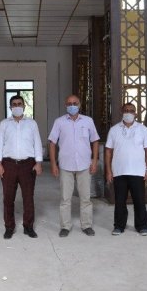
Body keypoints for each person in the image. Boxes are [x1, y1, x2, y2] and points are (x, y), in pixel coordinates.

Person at [48, 94, 100, 237]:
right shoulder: (59, 122)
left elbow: (95, 141)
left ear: (80, 104)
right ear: (66, 105)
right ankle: (65, 226)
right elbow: (52, 143)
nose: (72, 106)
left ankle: (86, 225)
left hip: (84, 165)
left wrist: (94, 161)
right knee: (65, 198)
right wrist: (53, 164)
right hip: (65, 165)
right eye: (69, 103)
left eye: (75, 103)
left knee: (85, 198)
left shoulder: (88, 121)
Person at [0, 95, 44, 239]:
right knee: (8, 198)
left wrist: (38, 163)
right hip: (8, 164)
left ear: (24, 106)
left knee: (28, 197)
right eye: (14, 104)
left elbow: (37, 143)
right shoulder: (4, 124)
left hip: (28, 165)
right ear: (10, 107)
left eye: (19, 104)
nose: (17, 106)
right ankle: (9, 227)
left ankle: (28, 227)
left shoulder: (32, 124)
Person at [104, 102, 147, 236]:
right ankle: (119, 226)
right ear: (122, 112)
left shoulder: (143, 129)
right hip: (119, 171)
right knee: (119, 201)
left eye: (131, 111)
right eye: (126, 110)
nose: (128, 113)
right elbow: (108, 151)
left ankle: (142, 226)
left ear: (135, 113)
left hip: (138, 171)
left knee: (139, 201)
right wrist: (108, 171)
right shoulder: (114, 130)